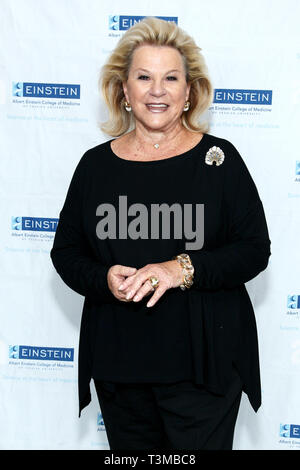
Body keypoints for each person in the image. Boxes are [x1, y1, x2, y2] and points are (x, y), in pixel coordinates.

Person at [50, 17, 271, 450]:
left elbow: (253, 250)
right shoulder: (95, 167)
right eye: (144, 77)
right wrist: (104, 277)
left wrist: (179, 269)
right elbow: (67, 251)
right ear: (124, 90)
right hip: (119, 367)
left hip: (203, 367)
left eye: (171, 78)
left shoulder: (220, 160)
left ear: (189, 92)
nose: (157, 90)